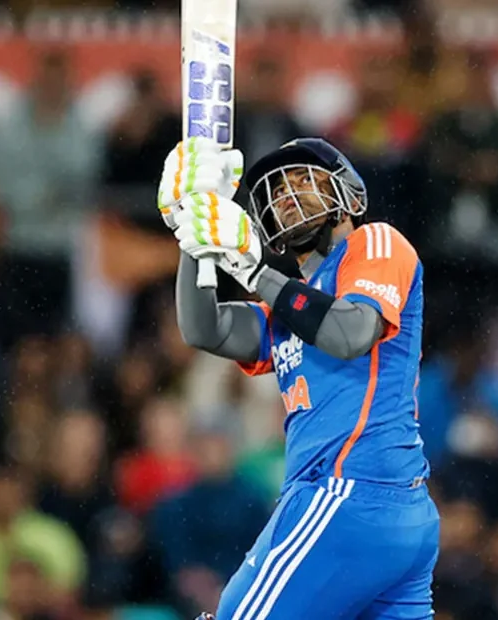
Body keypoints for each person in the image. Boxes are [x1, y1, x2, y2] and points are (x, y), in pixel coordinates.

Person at [157, 137, 440, 619]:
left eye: (302, 179)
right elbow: (205, 328)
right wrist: (194, 234)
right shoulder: (291, 305)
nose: (287, 194)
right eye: (277, 188)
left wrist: (254, 271)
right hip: (389, 511)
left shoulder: (375, 241)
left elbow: (350, 332)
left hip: (348, 492)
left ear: (347, 193)